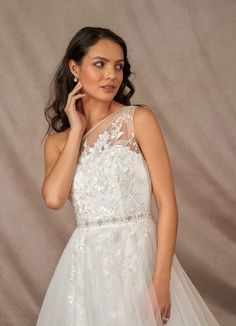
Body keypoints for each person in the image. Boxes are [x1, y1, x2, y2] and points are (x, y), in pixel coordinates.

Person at [36, 26, 220, 325]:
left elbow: (168, 204)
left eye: (118, 66)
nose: (112, 75)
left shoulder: (138, 120)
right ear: (74, 68)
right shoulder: (57, 143)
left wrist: (161, 280)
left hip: (140, 259)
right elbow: (54, 199)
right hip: (86, 267)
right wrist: (77, 130)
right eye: (100, 64)